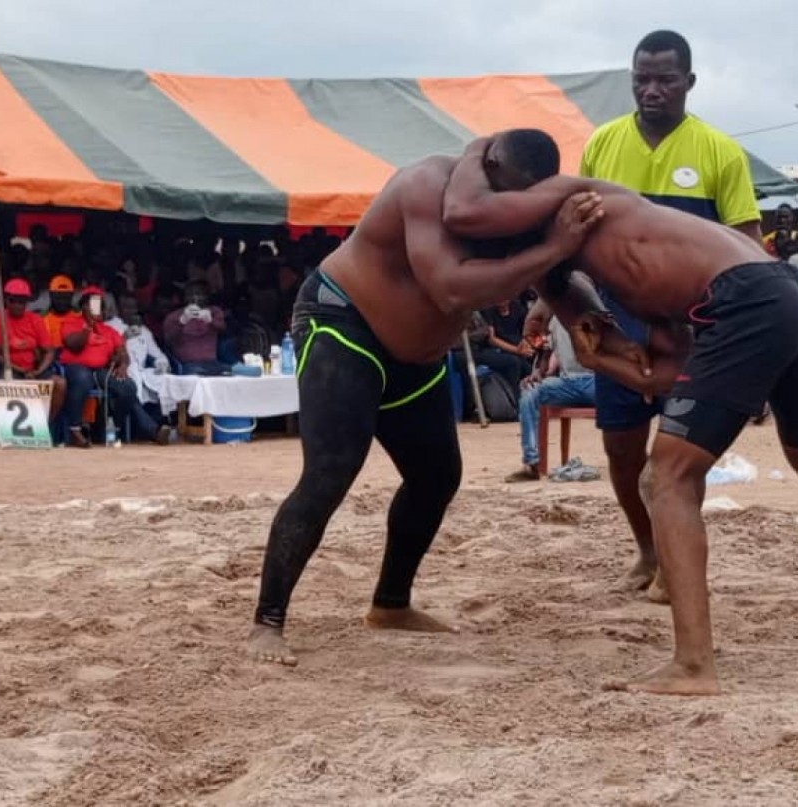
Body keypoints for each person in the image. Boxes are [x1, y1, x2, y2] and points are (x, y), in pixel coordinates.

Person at [440, 135, 798, 696]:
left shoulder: (569, 197)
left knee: (667, 477)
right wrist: (600, 358)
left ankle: (693, 666)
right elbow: (665, 373)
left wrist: (474, 150)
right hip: (788, 293)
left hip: (751, 296)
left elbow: (464, 210)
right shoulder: (631, 274)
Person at [249, 129, 605, 667]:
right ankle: (267, 621)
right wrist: (553, 247)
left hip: (418, 357)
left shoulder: (522, 208)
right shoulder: (424, 185)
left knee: (437, 476)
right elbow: (451, 288)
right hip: (345, 324)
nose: (507, 208)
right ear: (486, 166)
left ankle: (391, 603)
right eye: (501, 194)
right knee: (329, 473)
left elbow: (554, 274)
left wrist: (565, 304)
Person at [574, 28, 763, 599]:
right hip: (616, 317)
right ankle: (648, 550)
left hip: (694, 327)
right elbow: (574, 237)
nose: (651, 90)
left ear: (689, 83)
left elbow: (748, 245)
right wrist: (546, 301)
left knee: (677, 454)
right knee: (621, 447)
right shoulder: (602, 144)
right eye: (642, 79)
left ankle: (675, 569)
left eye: (665, 79)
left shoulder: (719, 151)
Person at [59, 285, 171, 448]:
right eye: (92, 304)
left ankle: (113, 428)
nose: (97, 309)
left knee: (128, 387)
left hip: (101, 370)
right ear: (83, 306)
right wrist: (88, 327)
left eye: (99, 305)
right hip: (77, 367)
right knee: (83, 379)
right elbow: (74, 345)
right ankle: (75, 430)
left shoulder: (109, 330)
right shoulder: (71, 323)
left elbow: (122, 351)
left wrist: (123, 365)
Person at [505, 317, 596, 482]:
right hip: (567, 382)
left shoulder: (595, 312)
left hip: (596, 381)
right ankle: (531, 463)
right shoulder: (555, 320)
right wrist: (538, 373)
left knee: (628, 396)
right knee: (530, 393)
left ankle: (634, 460)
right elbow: (548, 356)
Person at [0, 278, 65, 422]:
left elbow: (49, 351)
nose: (17, 305)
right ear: (6, 301)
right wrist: (19, 369)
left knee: (60, 384)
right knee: (6, 382)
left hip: (34, 369)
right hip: (8, 367)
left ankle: (45, 424)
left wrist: (38, 370)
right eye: (13, 301)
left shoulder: (35, 320)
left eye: (22, 301)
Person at [163, 280, 228, 375]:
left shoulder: (214, 311)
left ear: (206, 296)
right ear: (185, 297)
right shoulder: (174, 316)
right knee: (198, 374)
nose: (194, 298)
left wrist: (210, 321)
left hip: (212, 362)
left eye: (199, 294)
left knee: (231, 373)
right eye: (190, 294)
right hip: (187, 364)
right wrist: (182, 322)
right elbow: (168, 341)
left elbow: (223, 329)